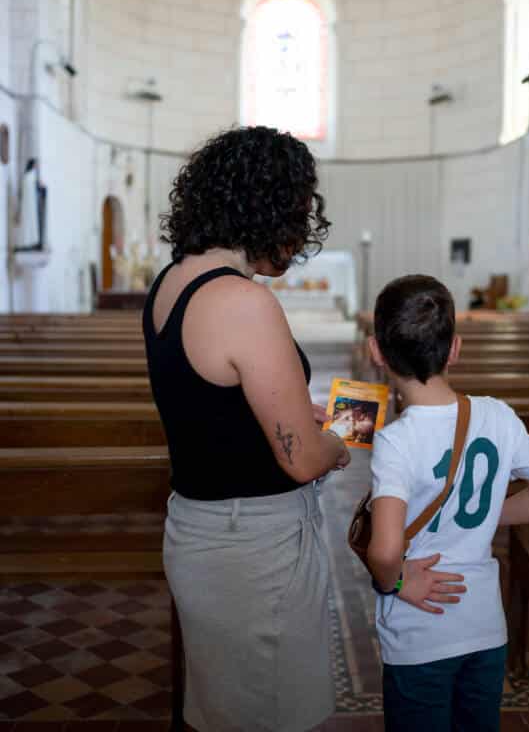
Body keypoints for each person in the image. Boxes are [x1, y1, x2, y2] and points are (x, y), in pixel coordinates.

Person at [144, 128, 461, 732]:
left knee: (224, 707)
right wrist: (341, 443)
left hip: (199, 527)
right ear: (270, 208)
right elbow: (301, 461)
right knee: (276, 712)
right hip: (254, 546)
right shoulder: (242, 301)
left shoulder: (170, 283)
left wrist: (295, 421)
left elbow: (211, 408)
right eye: (298, 210)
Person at [365, 275, 529, 732]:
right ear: (455, 348)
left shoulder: (396, 442)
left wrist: (398, 583)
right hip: (484, 628)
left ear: (376, 352)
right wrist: (478, 515)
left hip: (420, 633)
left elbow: (382, 552)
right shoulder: (498, 415)